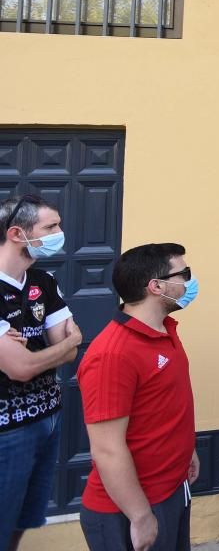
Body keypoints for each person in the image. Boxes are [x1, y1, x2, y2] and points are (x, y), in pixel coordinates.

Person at [78, 243, 200, 551]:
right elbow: (106, 449)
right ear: (156, 286)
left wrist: (188, 450)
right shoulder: (112, 354)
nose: (190, 281)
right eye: (183, 273)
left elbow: (166, 405)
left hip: (172, 490)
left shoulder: (165, 329)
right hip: (128, 510)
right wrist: (140, 515)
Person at [0, 195, 83, 550]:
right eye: (51, 227)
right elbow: (20, 368)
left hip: (47, 420)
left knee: (23, 517)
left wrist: (48, 350)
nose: (60, 233)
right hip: (7, 429)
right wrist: (61, 347)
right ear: (18, 233)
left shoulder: (43, 281)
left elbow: (72, 347)